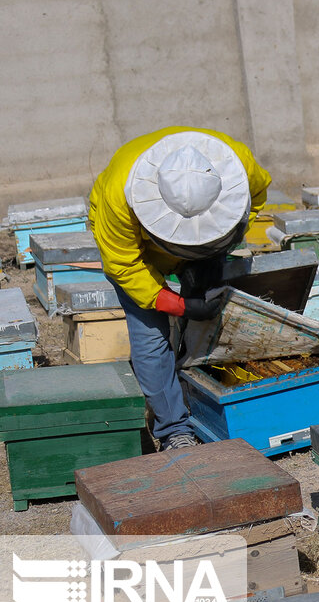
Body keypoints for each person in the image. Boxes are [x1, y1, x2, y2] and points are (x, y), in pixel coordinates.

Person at [89, 127, 272, 450]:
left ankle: (205, 394)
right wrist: (180, 306)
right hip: (142, 257)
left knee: (212, 313)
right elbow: (124, 266)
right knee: (150, 332)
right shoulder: (117, 198)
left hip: (210, 244)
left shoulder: (238, 162)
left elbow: (257, 196)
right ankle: (173, 429)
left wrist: (226, 238)